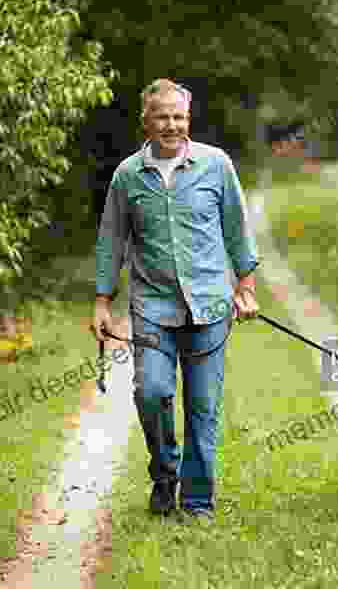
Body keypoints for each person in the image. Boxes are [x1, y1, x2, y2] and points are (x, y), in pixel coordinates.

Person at [92, 78, 260, 522]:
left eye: (179, 117)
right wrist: (102, 302)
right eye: (163, 117)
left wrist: (245, 288)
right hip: (153, 306)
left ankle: (198, 502)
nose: (172, 125)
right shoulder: (128, 176)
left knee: (203, 410)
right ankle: (165, 474)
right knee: (151, 392)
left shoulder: (216, 165)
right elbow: (111, 240)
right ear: (146, 122)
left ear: (189, 119)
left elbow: (237, 229)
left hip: (209, 307)